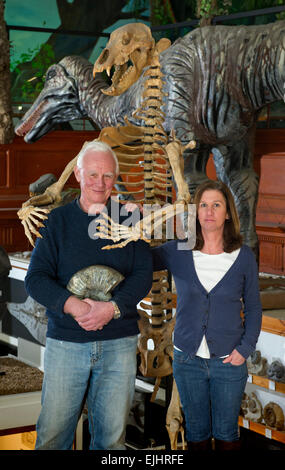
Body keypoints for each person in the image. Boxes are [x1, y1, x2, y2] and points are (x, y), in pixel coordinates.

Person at [25, 140, 153, 450]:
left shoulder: (128, 219)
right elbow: (36, 279)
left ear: (115, 179)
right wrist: (75, 307)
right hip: (66, 343)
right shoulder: (57, 222)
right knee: (53, 438)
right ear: (79, 175)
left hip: (119, 345)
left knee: (111, 442)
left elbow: (142, 274)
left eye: (108, 176)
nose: (100, 182)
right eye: (93, 174)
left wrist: (112, 309)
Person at [151, 180, 262, 451]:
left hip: (229, 362)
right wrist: (139, 220)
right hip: (187, 359)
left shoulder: (243, 255)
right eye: (203, 205)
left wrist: (244, 349)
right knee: (197, 434)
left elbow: (254, 307)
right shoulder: (179, 251)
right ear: (196, 212)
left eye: (216, 205)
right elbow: (139, 258)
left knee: (227, 436)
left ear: (227, 213)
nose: (209, 211)